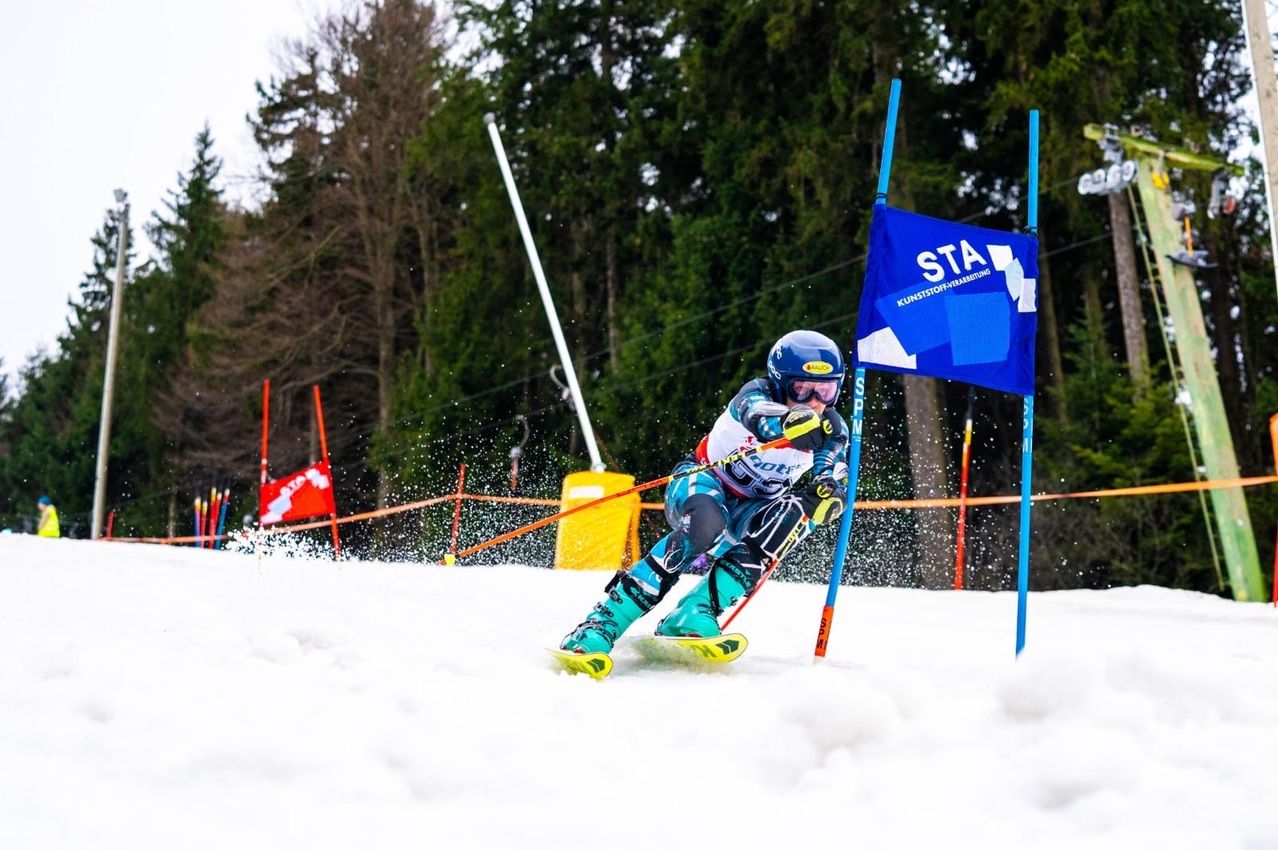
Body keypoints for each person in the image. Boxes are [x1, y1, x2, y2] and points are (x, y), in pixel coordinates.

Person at [559, 329, 850, 655]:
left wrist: (828, 492)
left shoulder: (833, 430)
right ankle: (602, 622)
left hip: (753, 508)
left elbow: (831, 470)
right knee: (706, 524)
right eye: (802, 389)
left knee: (799, 512)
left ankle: (694, 612)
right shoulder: (755, 394)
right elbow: (758, 417)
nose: (815, 403)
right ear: (781, 383)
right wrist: (789, 422)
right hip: (702, 481)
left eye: (825, 391)